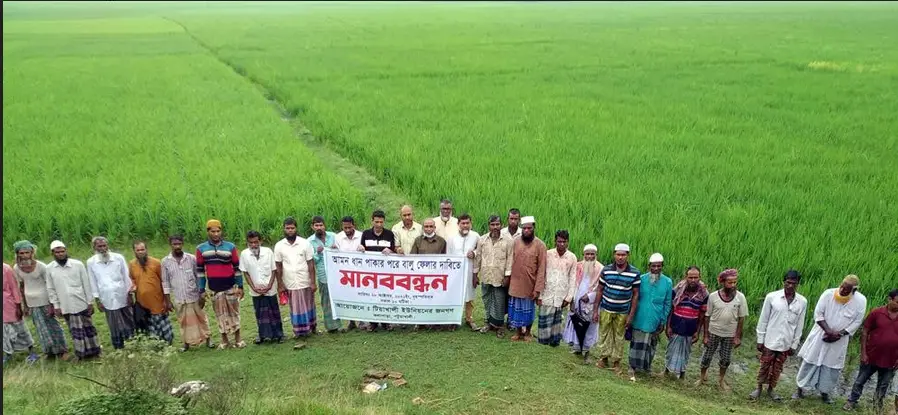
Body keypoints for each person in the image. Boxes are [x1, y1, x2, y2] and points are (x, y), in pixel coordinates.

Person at [793, 275, 867, 404]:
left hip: (839, 340)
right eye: (842, 286)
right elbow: (818, 314)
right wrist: (828, 331)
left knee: (832, 367)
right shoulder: (828, 294)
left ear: (853, 291)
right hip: (821, 334)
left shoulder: (861, 301)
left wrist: (839, 334)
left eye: (846, 289)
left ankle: (825, 393)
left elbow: (857, 321)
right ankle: (800, 389)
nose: (842, 290)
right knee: (810, 361)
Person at [750, 270, 807, 401]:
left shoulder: (802, 302)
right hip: (770, 339)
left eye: (794, 283)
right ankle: (758, 388)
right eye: (788, 282)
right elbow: (763, 319)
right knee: (765, 365)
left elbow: (800, 325)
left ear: (798, 284)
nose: (790, 286)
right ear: (784, 282)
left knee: (778, 368)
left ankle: (771, 390)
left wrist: (794, 344)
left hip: (786, 342)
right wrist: (760, 339)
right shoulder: (772, 297)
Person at [843, 288, 898, 412]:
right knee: (860, 380)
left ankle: (876, 406)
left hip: (891, 359)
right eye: (897, 302)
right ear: (889, 299)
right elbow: (865, 331)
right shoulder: (877, 313)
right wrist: (863, 353)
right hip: (872, 355)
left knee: (883, 385)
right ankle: (852, 401)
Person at [46, 240, 101, 361]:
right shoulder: (50, 269)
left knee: (88, 328)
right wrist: (56, 305)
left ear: (66, 251)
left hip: (81, 302)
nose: (60, 254)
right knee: (75, 331)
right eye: (57, 252)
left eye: (62, 251)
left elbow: (86, 284)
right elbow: (51, 288)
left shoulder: (78, 264)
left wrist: (90, 302)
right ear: (53, 253)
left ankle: (95, 351)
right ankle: (81, 354)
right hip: (66, 305)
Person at [13, 240, 68, 360]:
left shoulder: (41, 266)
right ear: (17, 254)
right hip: (31, 302)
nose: (24, 256)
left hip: (45, 300)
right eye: (21, 253)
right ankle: (49, 351)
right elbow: (22, 287)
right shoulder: (17, 268)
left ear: (32, 252)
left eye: (26, 252)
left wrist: (53, 304)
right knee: (40, 327)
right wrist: (25, 306)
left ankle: (62, 350)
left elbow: (49, 285)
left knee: (53, 325)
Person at [196, 219, 245, 349]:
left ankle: (238, 339)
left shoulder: (230, 247)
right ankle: (224, 340)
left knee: (234, 312)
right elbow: (200, 271)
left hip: (230, 285)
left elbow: (237, 267)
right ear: (208, 232)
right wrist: (201, 289)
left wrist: (240, 286)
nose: (216, 234)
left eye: (218, 231)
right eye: (213, 231)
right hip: (214, 287)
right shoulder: (201, 249)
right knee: (220, 313)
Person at [593, 243, 641, 373]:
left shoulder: (635, 273)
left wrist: (631, 316)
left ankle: (616, 361)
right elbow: (600, 290)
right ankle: (603, 358)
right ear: (614, 255)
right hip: (606, 308)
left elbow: (636, 295)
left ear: (628, 256)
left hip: (623, 311)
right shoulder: (607, 270)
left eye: (623, 255)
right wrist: (595, 310)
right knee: (604, 333)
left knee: (619, 336)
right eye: (618, 254)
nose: (620, 257)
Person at [697, 269, 748, 391]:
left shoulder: (740, 297)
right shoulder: (713, 296)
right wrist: (705, 336)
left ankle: (721, 380)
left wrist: (737, 337)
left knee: (725, 359)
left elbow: (741, 319)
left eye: (735, 282)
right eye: (730, 282)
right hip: (713, 331)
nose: (733, 285)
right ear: (723, 282)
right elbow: (707, 316)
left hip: (729, 334)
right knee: (707, 356)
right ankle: (702, 377)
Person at [162, 235, 213, 352]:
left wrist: (202, 294)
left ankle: (208, 340)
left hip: (194, 295)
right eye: (175, 244)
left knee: (202, 318)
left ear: (182, 244)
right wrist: (167, 300)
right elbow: (165, 282)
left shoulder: (191, 259)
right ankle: (186, 344)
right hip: (179, 298)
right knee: (183, 321)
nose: (177, 246)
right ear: (170, 245)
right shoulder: (165, 262)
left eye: (179, 244)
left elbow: (199, 276)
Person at [628, 253, 672, 381]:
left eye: (659, 266)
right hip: (639, 317)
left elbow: (667, 303)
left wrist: (663, 320)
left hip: (655, 318)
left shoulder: (667, 282)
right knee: (636, 343)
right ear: (649, 266)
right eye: (654, 266)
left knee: (651, 345)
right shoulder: (641, 279)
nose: (656, 268)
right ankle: (632, 367)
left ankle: (646, 367)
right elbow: (634, 298)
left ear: (662, 266)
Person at [275, 217, 318, 346]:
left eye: (292, 228)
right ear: (284, 229)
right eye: (287, 228)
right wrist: (280, 284)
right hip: (290, 282)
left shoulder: (305, 243)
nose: (290, 230)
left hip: (304, 280)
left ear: (296, 228)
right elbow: (278, 266)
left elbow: (310, 263)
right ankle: (298, 331)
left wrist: (313, 282)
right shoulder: (279, 245)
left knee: (309, 305)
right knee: (295, 307)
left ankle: (312, 328)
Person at [86, 236, 135, 350]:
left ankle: (132, 343)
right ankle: (119, 346)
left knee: (129, 319)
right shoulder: (91, 262)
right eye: (100, 246)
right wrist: (97, 300)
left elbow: (126, 276)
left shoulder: (118, 258)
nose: (103, 248)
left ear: (108, 245)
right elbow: (92, 282)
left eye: (104, 245)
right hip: (106, 297)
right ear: (94, 247)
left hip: (122, 294)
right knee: (114, 324)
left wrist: (129, 294)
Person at [665, 266, 708, 379]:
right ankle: (667, 371)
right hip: (676, 324)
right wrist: (668, 326)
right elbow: (671, 308)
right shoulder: (677, 289)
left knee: (685, 351)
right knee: (671, 349)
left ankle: (682, 374)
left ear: (700, 277)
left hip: (691, 326)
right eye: (690, 277)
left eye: (695, 277)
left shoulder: (704, 293)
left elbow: (702, 315)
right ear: (686, 277)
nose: (693, 280)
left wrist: (697, 332)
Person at [240, 230, 283, 344]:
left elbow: (274, 270)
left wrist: (269, 285)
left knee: (274, 312)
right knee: (260, 313)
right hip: (256, 290)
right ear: (247, 243)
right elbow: (246, 273)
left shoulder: (268, 252)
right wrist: (253, 287)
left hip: (270, 289)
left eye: (256, 242)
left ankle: (279, 335)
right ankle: (263, 336)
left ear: (260, 241)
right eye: (251, 243)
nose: (253, 245)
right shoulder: (244, 254)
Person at [474, 215, 514, 337]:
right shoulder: (482, 240)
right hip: (486, 276)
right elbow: (478, 258)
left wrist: (507, 277)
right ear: (489, 226)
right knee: (487, 299)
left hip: (500, 277)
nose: (495, 227)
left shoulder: (508, 240)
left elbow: (510, 260)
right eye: (492, 224)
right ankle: (488, 323)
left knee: (499, 301)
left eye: (497, 224)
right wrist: (475, 274)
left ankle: (500, 326)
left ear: (501, 225)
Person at [507, 216, 546, 342]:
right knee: (516, 309)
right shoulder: (516, 242)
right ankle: (518, 332)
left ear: (534, 228)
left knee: (528, 311)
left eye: (529, 228)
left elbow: (542, 268)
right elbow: (510, 260)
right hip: (515, 282)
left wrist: (538, 288)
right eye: (524, 228)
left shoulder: (540, 245)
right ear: (521, 229)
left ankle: (528, 332)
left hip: (530, 284)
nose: (527, 230)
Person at [129, 241, 174, 345]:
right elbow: (132, 280)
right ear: (134, 251)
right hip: (143, 304)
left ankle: (167, 343)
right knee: (148, 327)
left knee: (163, 327)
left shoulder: (156, 263)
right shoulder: (132, 264)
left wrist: (167, 300)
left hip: (158, 302)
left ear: (146, 250)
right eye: (138, 250)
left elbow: (164, 282)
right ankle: (154, 344)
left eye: (142, 249)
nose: (140, 252)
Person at [358, 210, 396, 332]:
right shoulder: (366, 234)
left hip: (385, 272)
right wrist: (361, 248)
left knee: (385, 297)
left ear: (384, 221)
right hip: (370, 272)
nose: (379, 224)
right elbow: (362, 249)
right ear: (372, 221)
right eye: (376, 222)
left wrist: (390, 251)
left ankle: (386, 322)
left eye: (381, 222)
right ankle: (373, 322)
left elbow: (394, 250)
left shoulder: (390, 234)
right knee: (372, 297)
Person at [538, 230, 577, 347]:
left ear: (568, 242)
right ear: (555, 241)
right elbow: (541, 274)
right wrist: (539, 295)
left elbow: (573, 278)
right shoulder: (548, 254)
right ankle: (543, 341)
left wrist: (569, 297)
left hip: (561, 294)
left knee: (558, 320)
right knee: (545, 318)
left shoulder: (572, 257)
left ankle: (555, 342)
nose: (561, 244)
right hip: (547, 293)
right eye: (559, 241)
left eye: (564, 242)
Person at [563, 244, 602, 357]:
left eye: (592, 254)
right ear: (583, 255)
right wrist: (572, 299)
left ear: (596, 255)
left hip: (591, 302)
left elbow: (601, 288)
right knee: (576, 322)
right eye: (587, 254)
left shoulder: (600, 268)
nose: (589, 256)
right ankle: (577, 347)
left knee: (589, 325)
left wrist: (590, 296)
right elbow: (572, 283)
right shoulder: (578, 266)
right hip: (577, 298)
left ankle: (586, 348)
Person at [307, 217, 342, 333]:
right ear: (312, 227)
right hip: (323, 275)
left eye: (321, 225)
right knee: (326, 300)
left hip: (338, 274)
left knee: (340, 298)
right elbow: (312, 261)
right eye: (316, 226)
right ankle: (331, 326)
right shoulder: (310, 241)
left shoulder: (333, 236)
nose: (319, 228)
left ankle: (346, 323)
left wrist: (336, 249)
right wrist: (318, 252)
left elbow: (342, 253)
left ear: (324, 226)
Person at [448, 213, 480, 331]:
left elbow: (480, 251)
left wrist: (474, 253)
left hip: (470, 271)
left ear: (471, 224)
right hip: (456, 273)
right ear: (458, 224)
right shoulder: (451, 238)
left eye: (467, 223)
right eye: (463, 223)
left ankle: (469, 319)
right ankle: (454, 319)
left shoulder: (476, 236)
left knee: (470, 295)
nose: (465, 226)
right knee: (456, 296)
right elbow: (448, 256)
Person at [3, 263, 39, 365]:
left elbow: (14, 287)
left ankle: (32, 351)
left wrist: (18, 306)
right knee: (4, 333)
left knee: (20, 329)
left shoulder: (6, 268)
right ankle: (7, 354)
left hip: (9, 304)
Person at [334, 216, 362, 330]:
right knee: (348, 297)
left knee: (360, 296)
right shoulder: (338, 237)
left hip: (360, 272)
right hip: (345, 274)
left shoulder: (361, 235)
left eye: (349, 227)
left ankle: (362, 321)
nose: (347, 230)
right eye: (345, 227)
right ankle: (351, 321)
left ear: (353, 225)